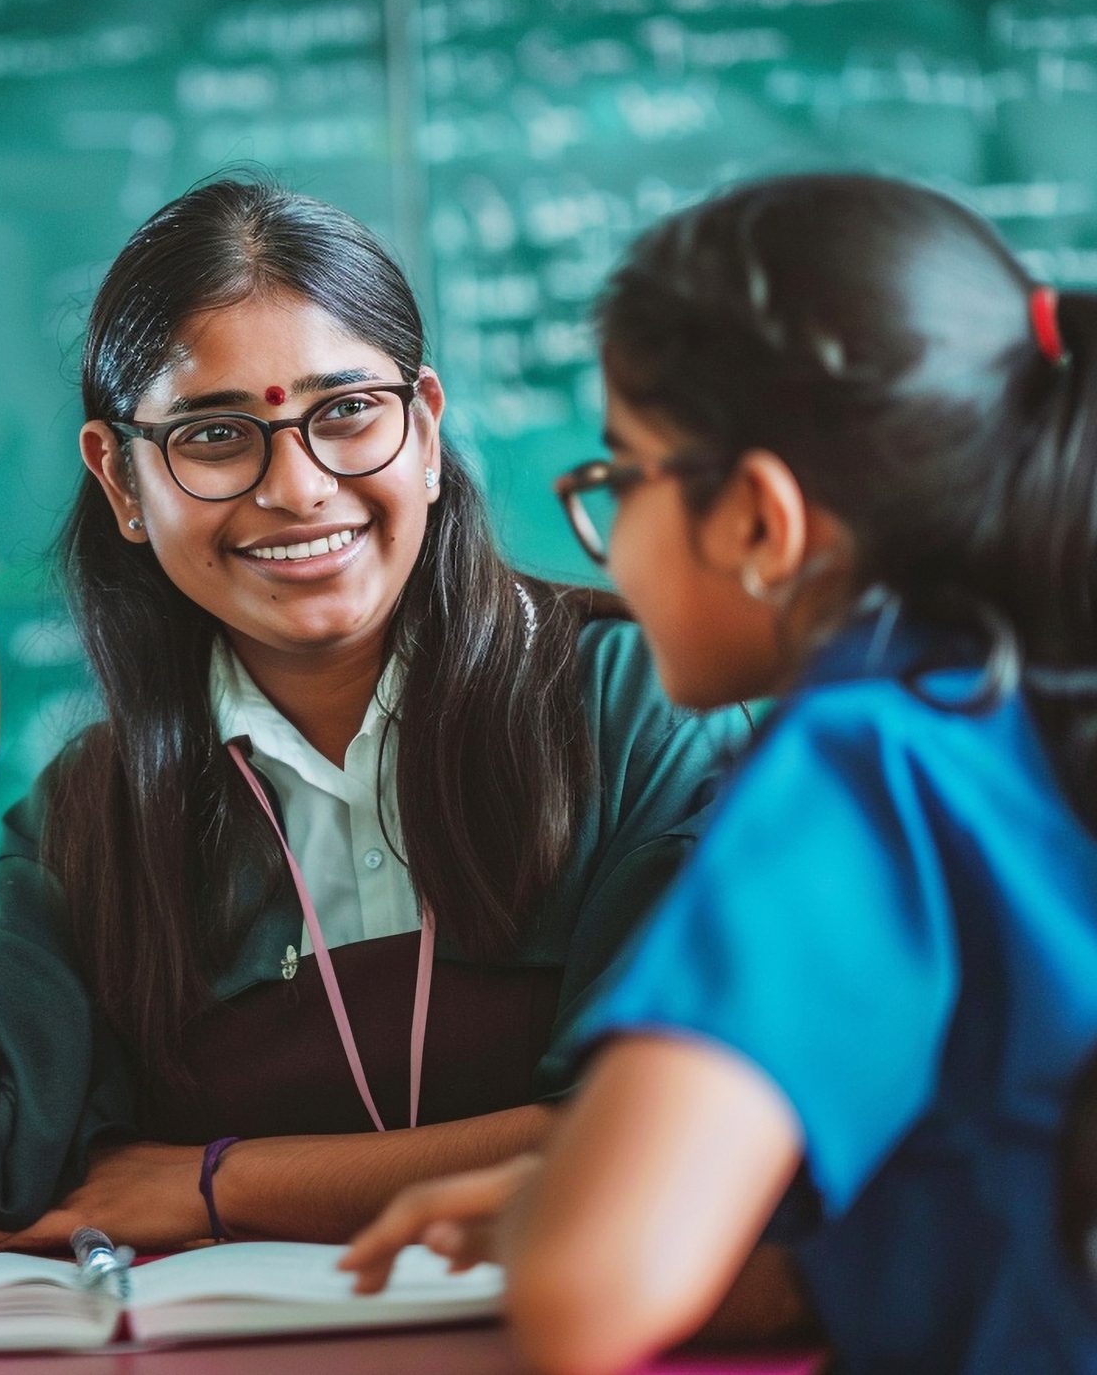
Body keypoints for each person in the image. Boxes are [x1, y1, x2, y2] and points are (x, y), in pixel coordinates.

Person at [0, 178, 742, 1259]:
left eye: (347, 412)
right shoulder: (97, 814)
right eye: (215, 436)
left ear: (428, 432)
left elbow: (651, 1146)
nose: (299, 488)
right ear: (121, 480)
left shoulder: (636, 709)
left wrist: (216, 1185)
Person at [341, 173, 1097, 1373]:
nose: (603, 540)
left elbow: (589, 1293)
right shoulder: (1031, 716)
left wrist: (564, 1214)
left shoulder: (859, 763)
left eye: (620, 476)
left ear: (758, 519)